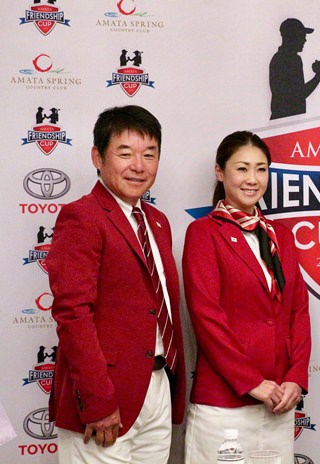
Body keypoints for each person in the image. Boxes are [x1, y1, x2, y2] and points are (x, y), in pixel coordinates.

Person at [46, 105, 187, 463]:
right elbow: (72, 314)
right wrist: (96, 401)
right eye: (124, 153)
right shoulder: (83, 216)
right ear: (98, 156)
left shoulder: (158, 222)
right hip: (104, 401)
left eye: (149, 155)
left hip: (156, 389)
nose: (138, 166)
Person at [182, 131, 311, 464]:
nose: (253, 179)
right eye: (242, 169)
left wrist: (296, 378)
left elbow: (298, 311)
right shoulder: (204, 233)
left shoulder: (281, 236)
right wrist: (253, 383)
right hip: (224, 405)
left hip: (279, 401)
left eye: (261, 169)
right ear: (220, 172)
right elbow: (206, 317)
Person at [269, 18, 320, 120]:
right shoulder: (288, 60)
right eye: (301, 36)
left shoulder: (289, 58)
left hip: (285, 121)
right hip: (286, 121)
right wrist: (318, 76)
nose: (305, 40)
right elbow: (298, 95)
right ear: (291, 37)